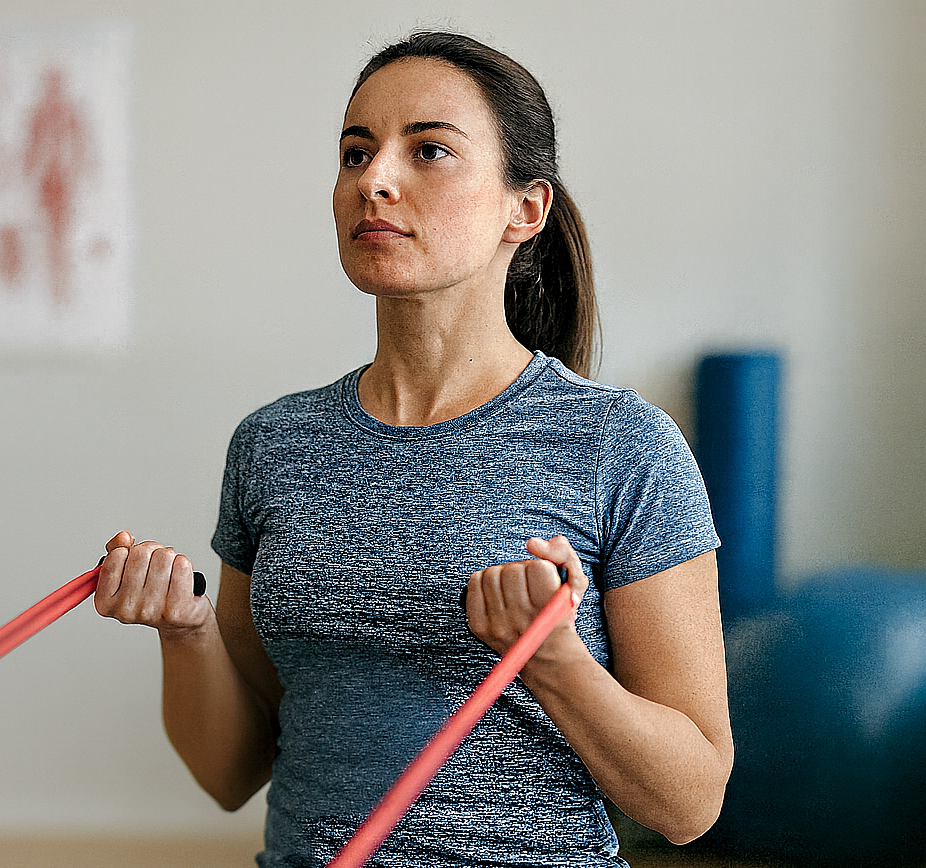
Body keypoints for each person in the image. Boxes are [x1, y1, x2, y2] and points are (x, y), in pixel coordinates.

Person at [94, 31, 733, 868]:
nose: (375, 179)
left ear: (525, 209)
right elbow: (231, 770)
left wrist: (556, 665)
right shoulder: (274, 446)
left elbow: (690, 805)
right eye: (355, 152)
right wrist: (184, 634)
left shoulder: (624, 447)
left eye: (428, 150)